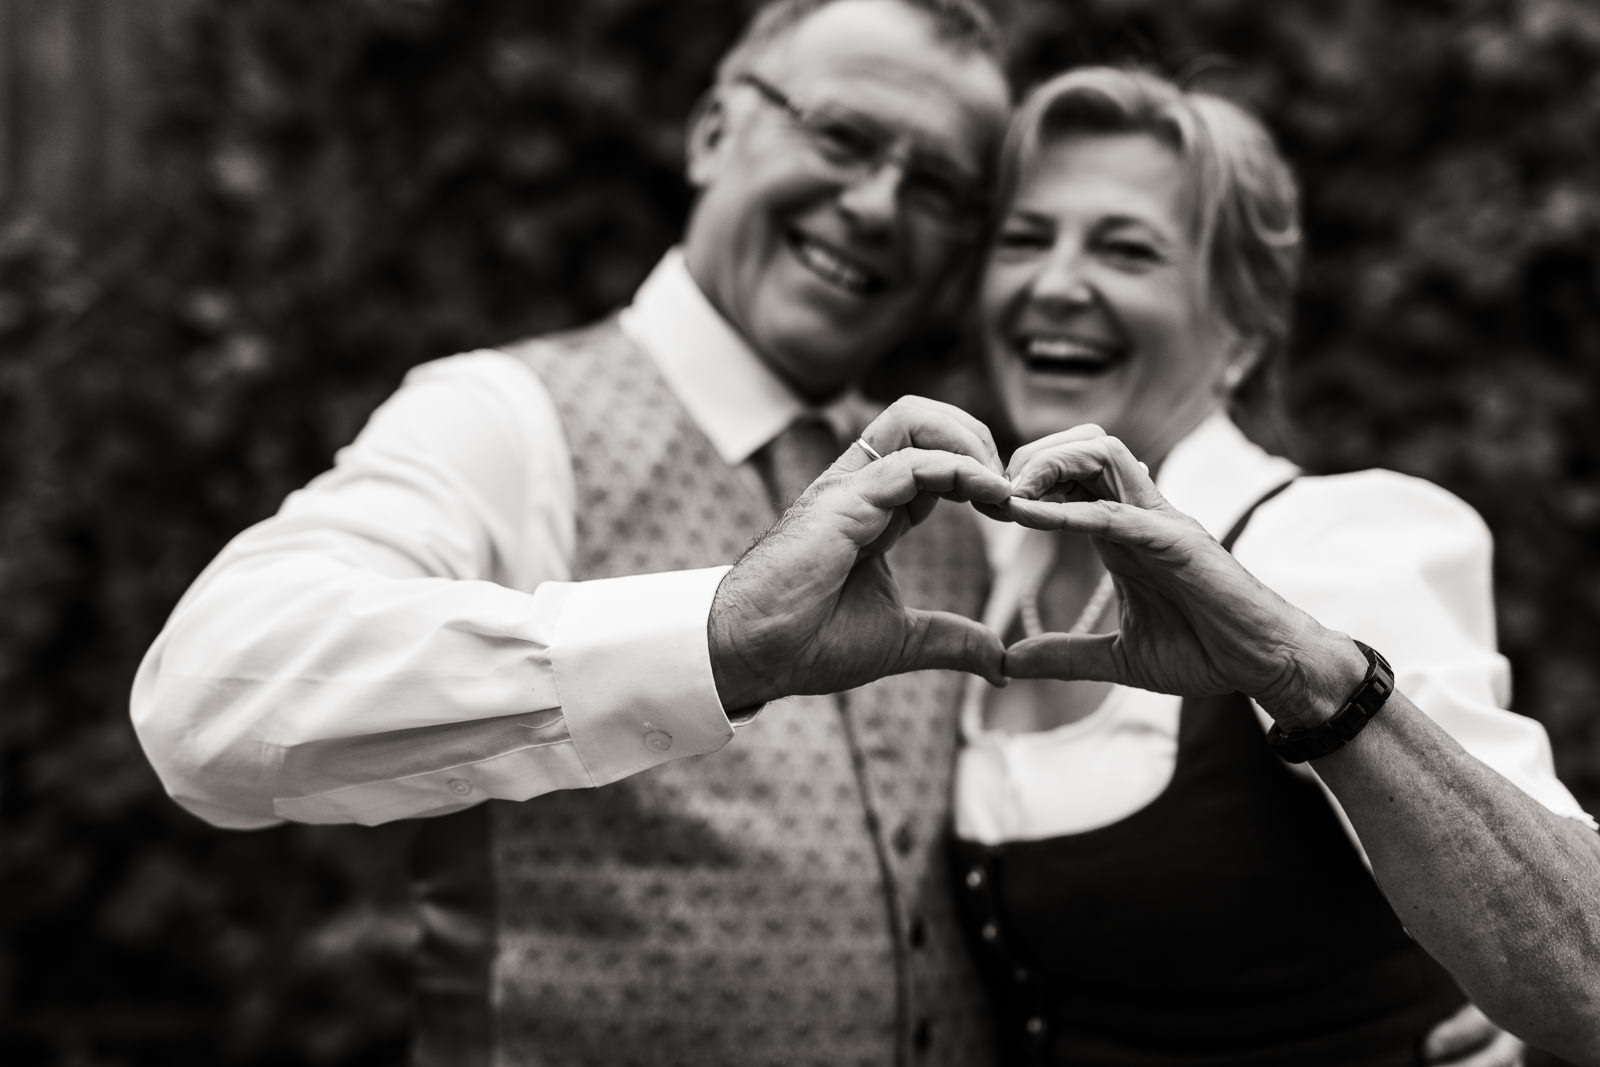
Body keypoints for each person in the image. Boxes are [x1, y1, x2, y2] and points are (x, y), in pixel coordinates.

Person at [130, 1, 1016, 1063]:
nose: (877, 205)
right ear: (711, 132)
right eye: (841, 136)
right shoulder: (507, 417)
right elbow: (207, 698)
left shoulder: (964, 502)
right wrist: (711, 640)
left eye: (937, 188)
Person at [950, 66, 1600, 1065]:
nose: (1052, 281)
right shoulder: (984, 559)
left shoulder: (1326, 548)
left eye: (1125, 249)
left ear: (1242, 337)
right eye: (1025, 239)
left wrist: (1302, 670)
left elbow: (1582, 966)